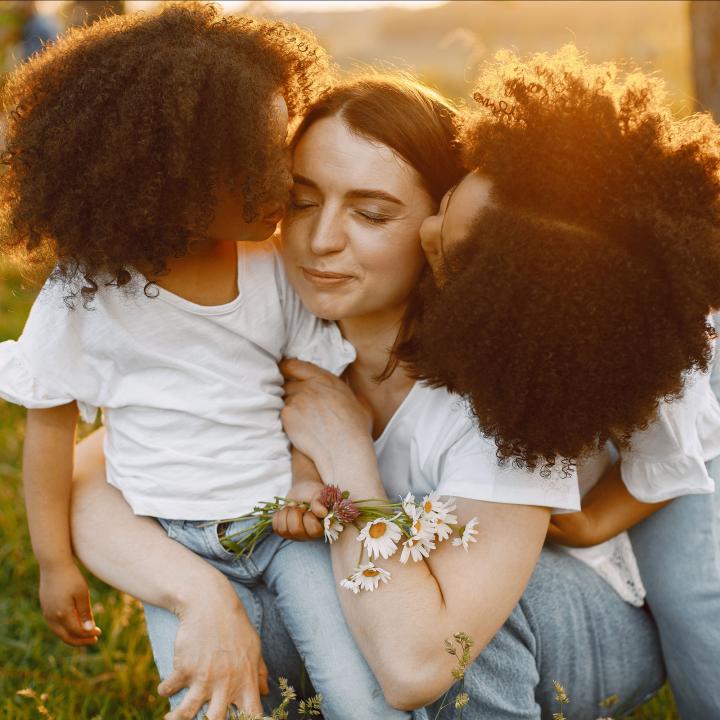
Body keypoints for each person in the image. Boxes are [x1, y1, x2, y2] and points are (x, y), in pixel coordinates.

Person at [68, 73, 668, 720]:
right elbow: (94, 479)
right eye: (300, 201)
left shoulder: (511, 386)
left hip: (571, 617)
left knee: (440, 623)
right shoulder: (279, 332)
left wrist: (346, 458)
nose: (321, 239)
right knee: (222, 547)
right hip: (398, 619)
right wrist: (196, 593)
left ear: (440, 230)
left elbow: (418, 668)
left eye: (371, 213)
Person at [0, 6, 411, 720]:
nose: (281, 178)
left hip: (286, 538)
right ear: (161, 174)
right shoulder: (86, 294)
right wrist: (56, 563)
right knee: (208, 705)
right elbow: (49, 434)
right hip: (172, 549)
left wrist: (309, 484)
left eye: (279, 148)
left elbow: (315, 393)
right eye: (252, 161)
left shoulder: (273, 270)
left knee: (360, 692)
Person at [401, 46, 720, 718]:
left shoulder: (645, 349)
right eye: (447, 203)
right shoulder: (486, 268)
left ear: (512, 290)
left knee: (696, 605)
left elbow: (663, 470)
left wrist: (572, 521)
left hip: (671, 465)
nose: (427, 233)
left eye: (455, 255)